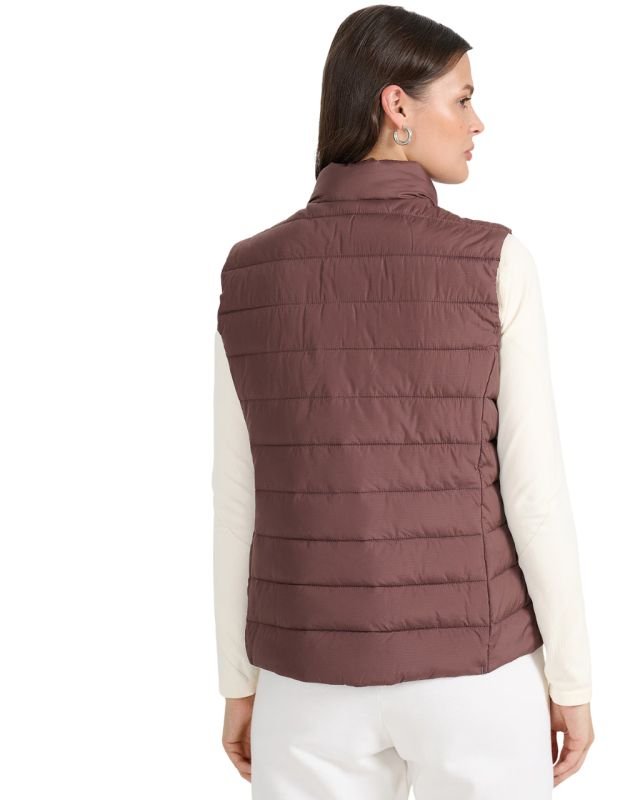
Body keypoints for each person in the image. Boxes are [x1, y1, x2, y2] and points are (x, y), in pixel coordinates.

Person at [213, 5, 595, 798]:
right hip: (476, 674)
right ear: (397, 106)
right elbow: (534, 494)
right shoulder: (494, 261)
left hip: (305, 682)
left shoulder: (250, 273)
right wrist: (571, 678)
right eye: (462, 99)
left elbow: (238, 497)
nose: (477, 122)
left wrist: (239, 681)